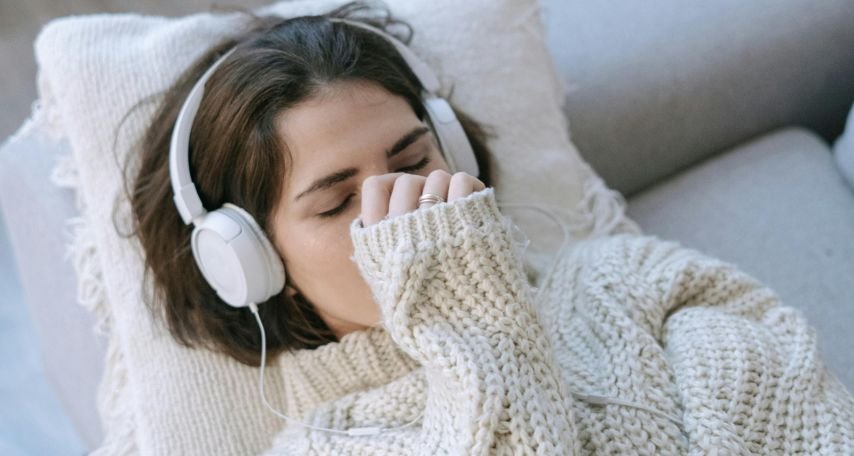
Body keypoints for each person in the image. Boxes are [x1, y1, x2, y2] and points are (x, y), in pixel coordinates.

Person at [128, 1, 854, 454]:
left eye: (414, 160)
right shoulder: (323, 447)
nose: (404, 207)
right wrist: (467, 321)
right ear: (252, 260)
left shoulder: (618, 277)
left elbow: (799, 404)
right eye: (337, 202)